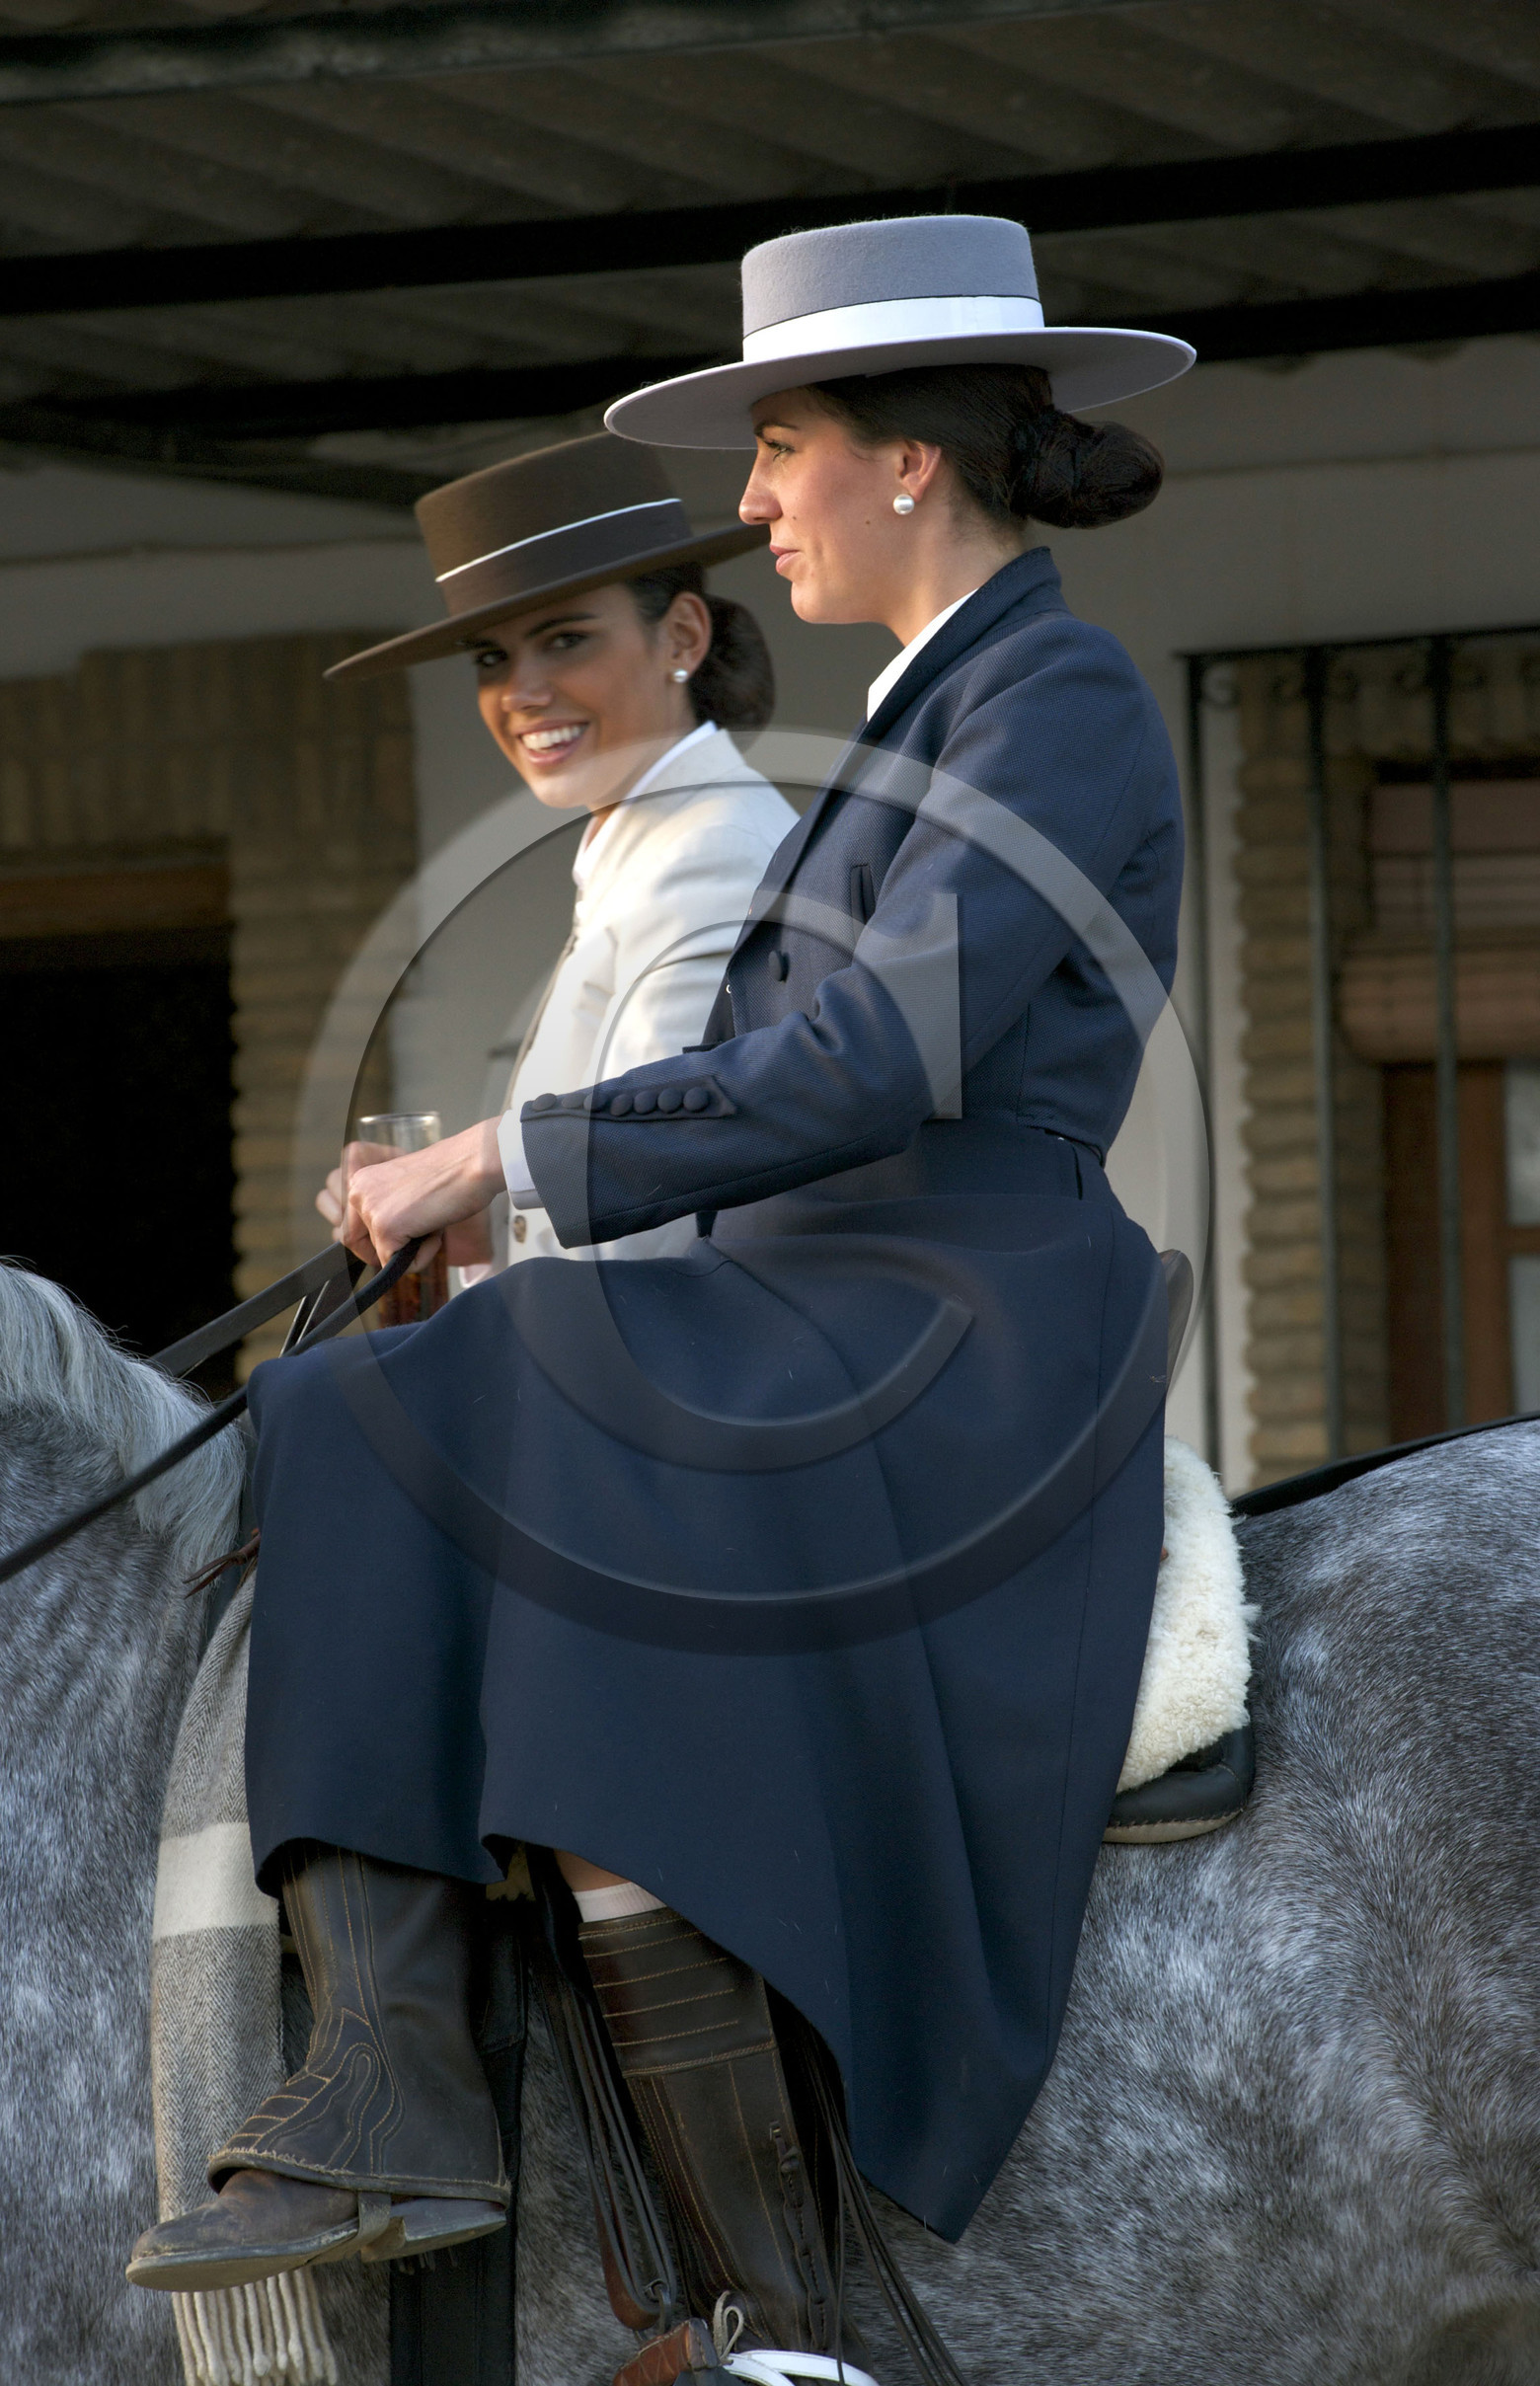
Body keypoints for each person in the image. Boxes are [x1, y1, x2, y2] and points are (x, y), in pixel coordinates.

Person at [130, 214, 1194, 2382]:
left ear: (909, 464)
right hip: (818, 1290)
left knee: (450, 1392)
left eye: (783, 445)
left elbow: (870, 1062)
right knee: (355, 1408)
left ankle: (763, 2301)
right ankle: (395, 2079)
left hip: (953, 1309)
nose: (762, 495)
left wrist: (500, 1159)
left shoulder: (1050, 694)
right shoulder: (923, 712)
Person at [315, 434, 797, 1273]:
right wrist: (466, 1219)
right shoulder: (641, 847)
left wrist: (474, 1180)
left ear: (682, 635)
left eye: (565, 639)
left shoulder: (711, 852)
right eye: (493, 658)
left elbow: (657, 1212)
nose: (521, 692)